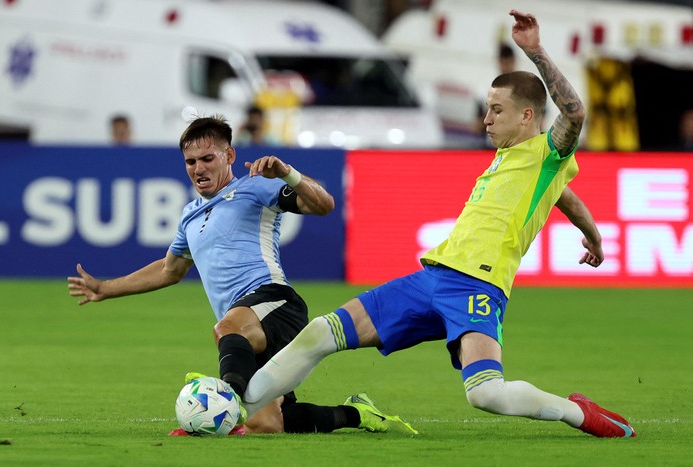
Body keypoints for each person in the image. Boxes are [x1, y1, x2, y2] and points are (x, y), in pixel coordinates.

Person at [240, 10, 636, 439]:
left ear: (526, 116)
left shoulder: (548, 153)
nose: (485, 119)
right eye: (486, 109)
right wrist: (593, 237)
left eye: (496, 110)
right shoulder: (519, 163)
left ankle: (579, 413)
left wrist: (535, 52)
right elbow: (567, 199)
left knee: (485, 394)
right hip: (432, 278)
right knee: (321, 331)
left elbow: (574, 113)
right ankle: (235, 409)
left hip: (477, 286)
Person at [68, 115, 416, 436]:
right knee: (267, 423)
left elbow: (323, 205)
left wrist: (286, 173)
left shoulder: (256, 188)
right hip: (247, 330)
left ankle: (223, 403)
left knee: (226, 328)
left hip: (274, 302)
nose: (198, 168)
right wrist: (106, 288)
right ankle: (356, 414)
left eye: (208, 158)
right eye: (191, 162)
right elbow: (168, 270)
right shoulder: (189, 216)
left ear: (229, 155)